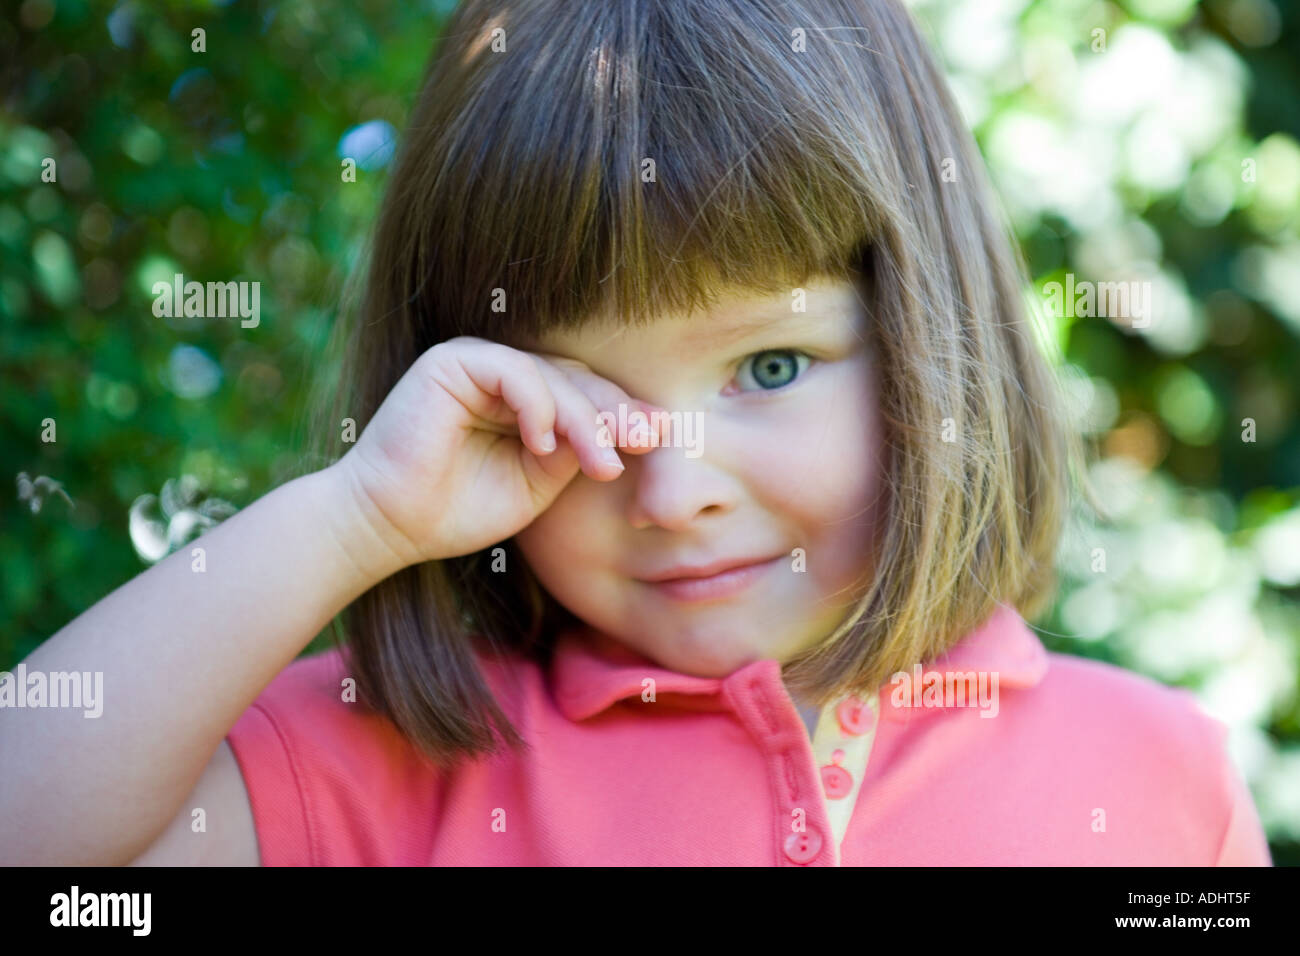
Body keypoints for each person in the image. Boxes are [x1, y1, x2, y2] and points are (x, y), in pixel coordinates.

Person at [1, 0, 1271, 865]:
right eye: (566, 397)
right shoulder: (378, 767)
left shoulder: (1159, 778)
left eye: (768, 365)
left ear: (925, 342)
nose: (670, 491)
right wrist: (355, 519)